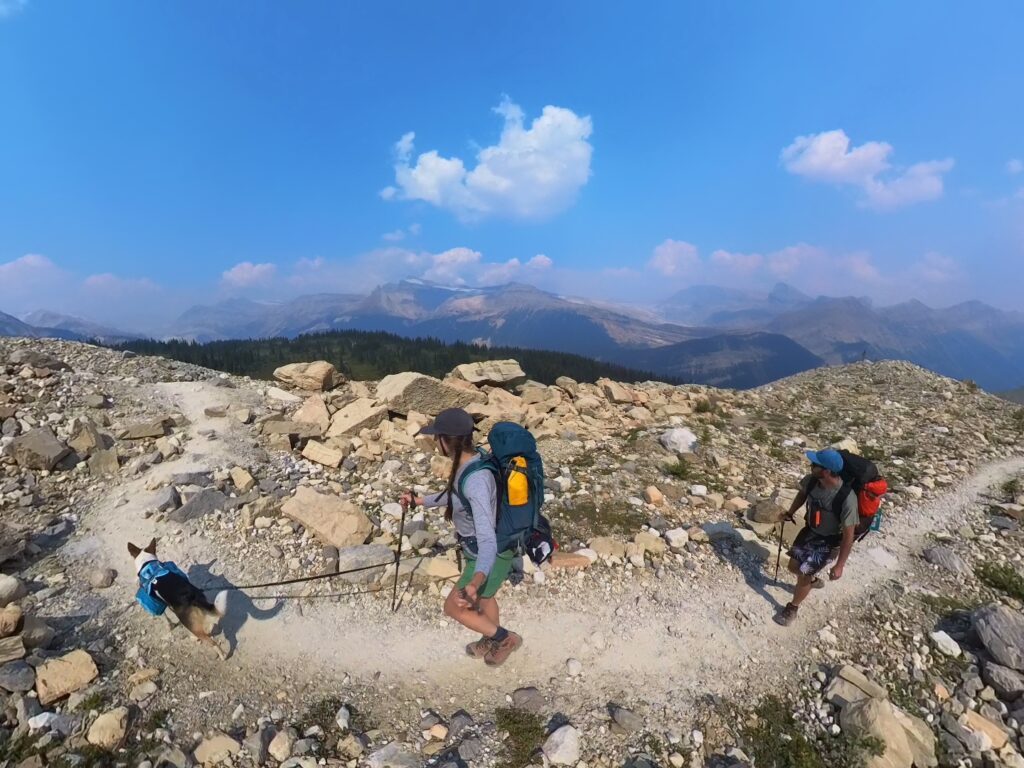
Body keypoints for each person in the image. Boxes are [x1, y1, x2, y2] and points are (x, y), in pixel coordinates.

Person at [399, 407, 523, 666]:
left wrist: (475, 581)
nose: (435, 441)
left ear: (447, 440)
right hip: (486, 548)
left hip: (489, 551)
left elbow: (487, 538)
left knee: (454, 607)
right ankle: (491, 638)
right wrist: (420, 500)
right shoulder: (471, 460)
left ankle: (504, 638)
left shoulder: (476, 481)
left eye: (437, 436)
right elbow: (456, 496)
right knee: (486, 598)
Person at [773, 447, 858, 627]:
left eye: (815, 464)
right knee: (793, 566)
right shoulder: (812, 481)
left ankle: (792, 607)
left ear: (826, 471)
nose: (811, 466)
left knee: (803, 572)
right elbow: (802, 495)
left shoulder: (847, 498)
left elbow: (849, 536)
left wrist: (840, 565)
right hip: (810, 531)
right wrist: (790, 512)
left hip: (830, 541)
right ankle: (811, 581)